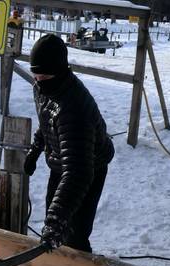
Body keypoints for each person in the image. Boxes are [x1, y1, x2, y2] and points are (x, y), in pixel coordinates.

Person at [24, 34, 115, 253]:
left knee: (75, 231)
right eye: (35, 75)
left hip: (88, 168)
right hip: (62, 161)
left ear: (59, 71)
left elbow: (78, 173)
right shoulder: (45, 87)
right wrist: (35, 150)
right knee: (54, 216)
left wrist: (57, 221)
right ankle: (58, 257)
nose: (38, 81)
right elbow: (48, 120)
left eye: (44, 76)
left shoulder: (75, 109)